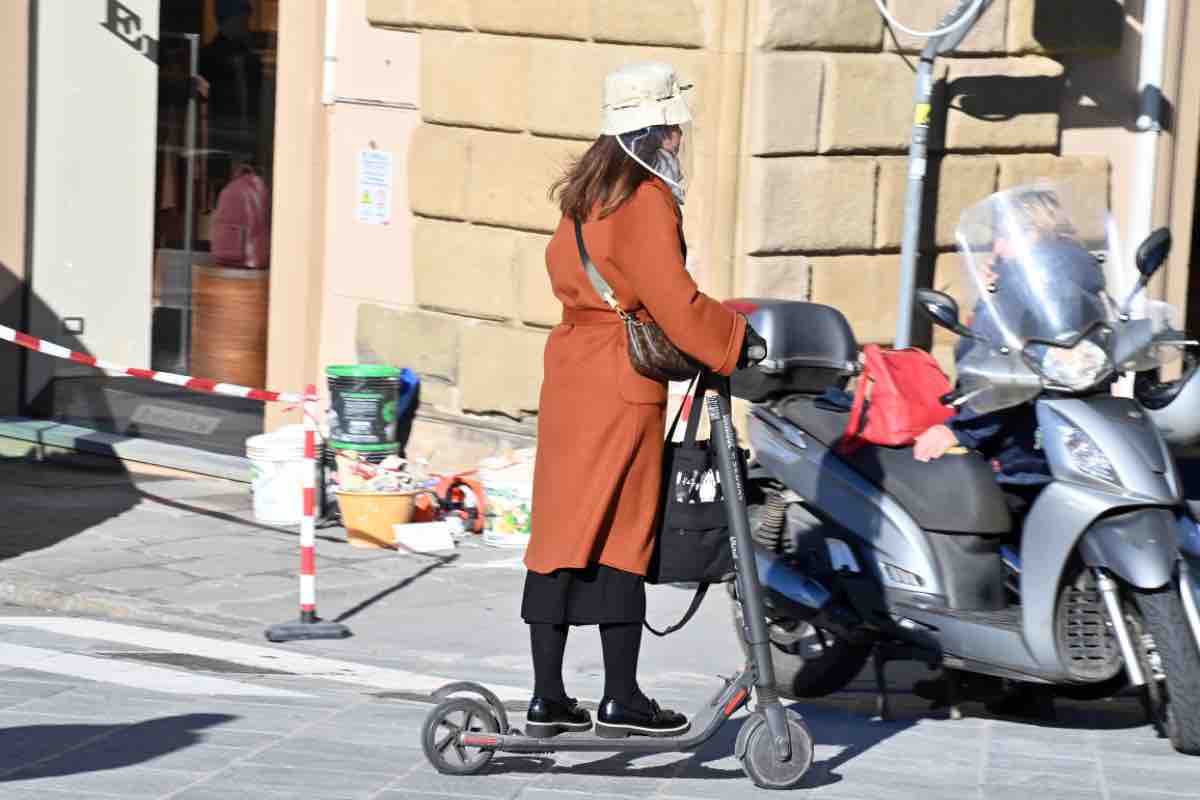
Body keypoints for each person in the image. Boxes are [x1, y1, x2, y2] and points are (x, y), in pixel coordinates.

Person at [521, 62, 764, 740]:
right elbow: (674, 300)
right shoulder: (644, 196)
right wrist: (740, 339)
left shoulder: (583, 193)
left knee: (562, 532)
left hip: (568, 369)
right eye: (677, 127)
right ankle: (621, 696)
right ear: (660, 130)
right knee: (622, 533)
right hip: (619, 381)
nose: (681, 138)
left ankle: (548, 696)